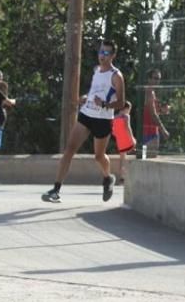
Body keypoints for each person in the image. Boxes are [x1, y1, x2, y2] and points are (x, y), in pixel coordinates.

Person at [42, 40, 125, 204]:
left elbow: (121, 103)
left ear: (113, 55)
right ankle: (56, 189)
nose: (103, 56)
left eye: (107, 53)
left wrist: (104, 104)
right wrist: (86, 97)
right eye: (101, 52)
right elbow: (95, 90)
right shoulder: (96, 70)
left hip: (103, 119)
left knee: (99, 156)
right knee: (69, 150)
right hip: (86, 114)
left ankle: (108, 178)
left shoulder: (116, 76)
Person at [141, 68, 170, 157]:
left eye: (159, 79)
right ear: (149, 79)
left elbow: (151, 111)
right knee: (149, 161)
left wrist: (161, 110)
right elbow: (153, 114)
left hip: (150, 131)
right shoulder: (149, 92)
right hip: (150, 132)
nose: (158, 81)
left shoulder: (151, 92)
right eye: (155, 78)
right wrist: (163, 130)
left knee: (148, 159)